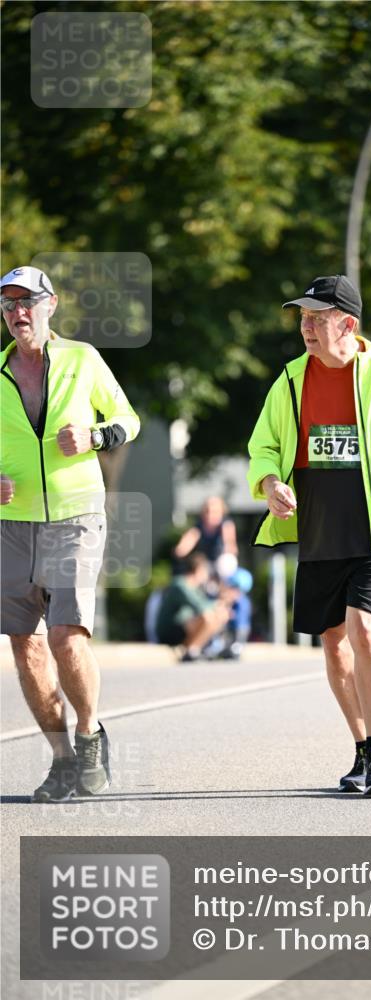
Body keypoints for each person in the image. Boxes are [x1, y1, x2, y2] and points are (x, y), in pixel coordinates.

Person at [247, 274, 371, 795]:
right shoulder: (290, 380)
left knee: (363, 628)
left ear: (348, 324)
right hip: (319, 529)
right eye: (303, 319)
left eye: (317, 318)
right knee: (333, 645)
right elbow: (263, 448)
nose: (306, 328)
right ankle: (361, 750)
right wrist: (270, 483)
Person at [0, 265, 140, 802]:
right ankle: (61, 760)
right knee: (26, 646)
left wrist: (95, 435)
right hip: (13, 525)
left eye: (26, 302)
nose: (17, 314)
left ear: (50, 305)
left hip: (76, 515)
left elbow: (129, 419)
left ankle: (88, 734)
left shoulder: (83, 359)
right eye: (8, 305)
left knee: (65, 635)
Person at [155, 551, 231, 661]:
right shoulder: (180, 585)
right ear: (198, 569)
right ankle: (191, 650)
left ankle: (196, 649)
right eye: (205, 571)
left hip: (184, 627)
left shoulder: (195, 587)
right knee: (207, 617)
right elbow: (200, 607)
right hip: (170, 631)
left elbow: (205, 604)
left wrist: (220, 607)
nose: (207, 575)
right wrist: (218, 603)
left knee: (221, 615)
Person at [173, 496, 238, 573]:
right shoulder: (198, 528)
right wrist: (181, 550)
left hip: (222, 565)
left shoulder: (226, 525)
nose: (210, 515)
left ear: (222, 513)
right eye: (207, 511)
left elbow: (230, 546)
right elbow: (184, 546)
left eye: (215, 512)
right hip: (205, 566)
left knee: (227, 561)